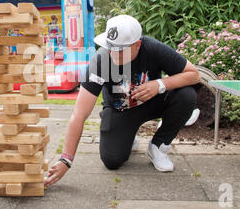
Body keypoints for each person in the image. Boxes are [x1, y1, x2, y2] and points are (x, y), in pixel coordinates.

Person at [45, 15, 201, 187]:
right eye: (110, 47)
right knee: (112, 160)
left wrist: (159, 84)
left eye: (120, 50)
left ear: (137, 45)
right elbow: (78, 114)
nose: (113, 53)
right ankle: (128, 136)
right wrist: (66, 160)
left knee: (187, 95)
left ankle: (158, 146)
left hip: (153, 102)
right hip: (121, 111)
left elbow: (194, 75)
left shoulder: (153, 48)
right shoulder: (101, 61)